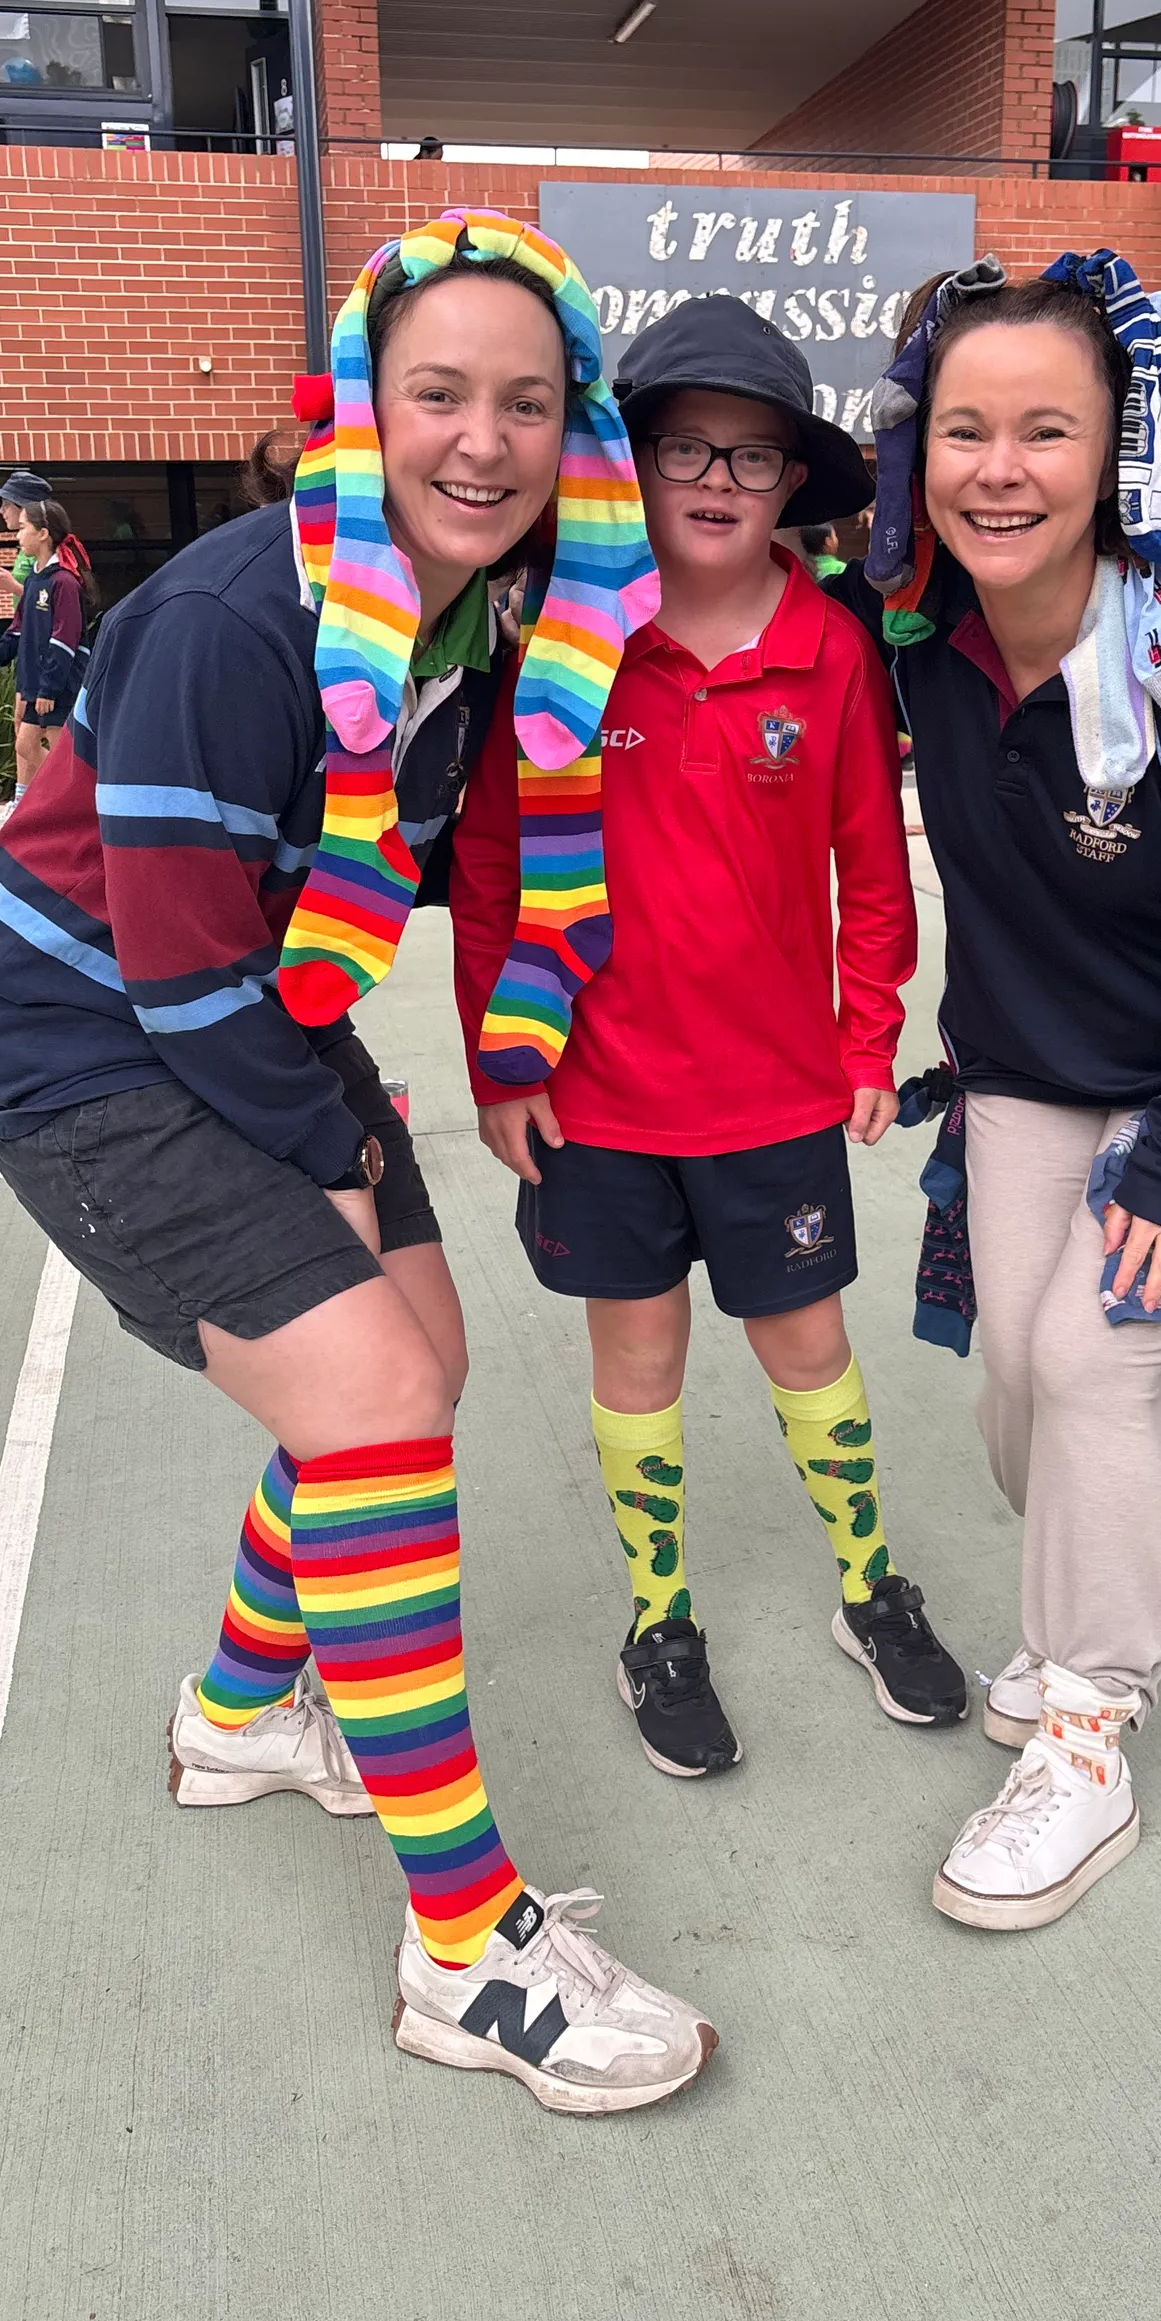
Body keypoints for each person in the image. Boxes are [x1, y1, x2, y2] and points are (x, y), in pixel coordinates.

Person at [0, 211, 716, 2114]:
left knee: (422, 1363)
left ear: (572, 428)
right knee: (375, 1394)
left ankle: (236, 1714)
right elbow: (179, 978)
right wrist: (345, 1173)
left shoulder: (477, 617)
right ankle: (464, 1946)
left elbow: (457, 888)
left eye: (527, 403)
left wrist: (512, 1059)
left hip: (260, 1019)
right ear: (365, 407)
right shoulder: (230, 620)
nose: (484, 437)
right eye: (440, 391)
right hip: (88, 1054)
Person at [839, 250, 1161, 1929]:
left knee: (1095, 1363)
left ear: (1117, 441)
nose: (999, 468)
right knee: (1014, 1404)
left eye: (1045, 429)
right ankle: (1066, 1617)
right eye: (964, 429)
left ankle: (1094, 1728)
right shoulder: (917, 643)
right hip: (1022, 1079)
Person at [452, 296, 962, 1780]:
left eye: (753, 453)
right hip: (596, 1100)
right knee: (638, 1352)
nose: (721, 480)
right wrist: (504, 1060)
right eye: (688, 446)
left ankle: (872, 1588)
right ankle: (658, 1619)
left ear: (792, 480)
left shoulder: (832, 654)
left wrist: (868, 1038)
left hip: (775, 1095)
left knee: (811, 1345)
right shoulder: (560, 641)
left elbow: (875, 868)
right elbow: (487, 868)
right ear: (638, 462)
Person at [0, 498, 93, 830]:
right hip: (38, 683)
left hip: (59, 683)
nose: (17, 535)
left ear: (42, 534)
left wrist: (49, 688)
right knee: (37, 747)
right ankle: (72, 806)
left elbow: (64, 640)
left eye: (23, 528)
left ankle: (75, 809)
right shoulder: (36, 581)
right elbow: (19, 630)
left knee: (50, 749)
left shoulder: (64, 582)